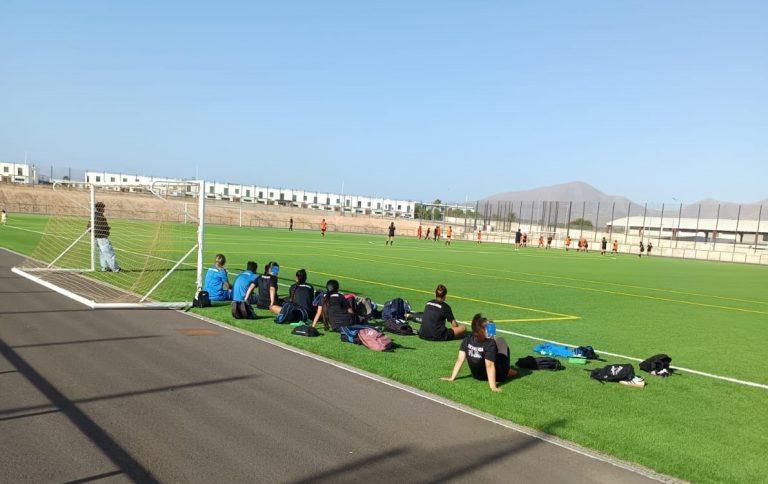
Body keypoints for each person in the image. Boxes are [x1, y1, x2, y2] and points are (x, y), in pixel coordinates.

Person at [441, 314, 515, 392]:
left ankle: (508, 370)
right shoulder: (490, 344)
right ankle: (508, 371)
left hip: (477, 376)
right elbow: (489, 365)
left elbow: (460, 360)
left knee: (493, 348)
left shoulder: (467, 340)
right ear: (482, 330)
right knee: (501, 340)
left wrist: (452, 377)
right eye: (486, 327)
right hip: (498, 377)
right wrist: (493, 387)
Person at [87, 202, 121, 272]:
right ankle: (115, 269)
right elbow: (99, 227)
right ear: (99, 208)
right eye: (103, 208)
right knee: (109, 252)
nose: (104, 209)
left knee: (102, 252)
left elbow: (89, 227)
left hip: (95, 237)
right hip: (101, 237)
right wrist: (107, 229)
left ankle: (105, 267)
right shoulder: (99, 216)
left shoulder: (93, 216)